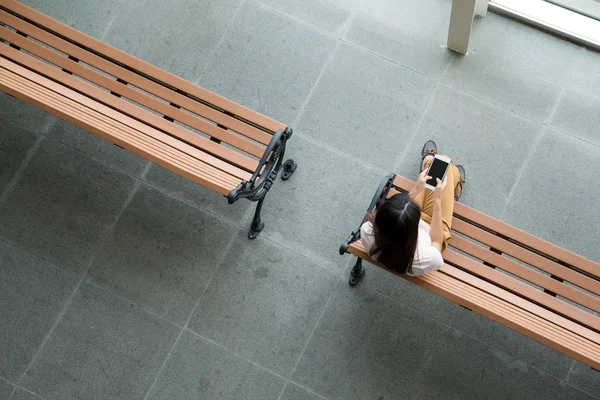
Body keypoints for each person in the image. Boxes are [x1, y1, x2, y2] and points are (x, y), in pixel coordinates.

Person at [360, 140, 465, 276]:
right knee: (446, 161)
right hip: (433, 229)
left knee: (435, 173)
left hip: (407, 218)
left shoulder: (368, 232)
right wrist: (437, 199)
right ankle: (447, 176)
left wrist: (416, 190)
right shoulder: (426, 258)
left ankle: (431, 164)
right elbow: (436, 242)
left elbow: (400, 212)